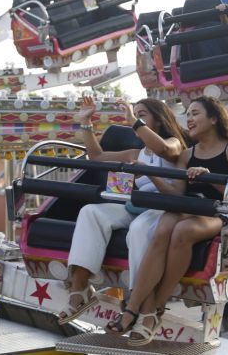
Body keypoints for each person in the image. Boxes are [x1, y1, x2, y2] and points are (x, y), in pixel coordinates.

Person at [110, 96, 228, 347]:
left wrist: (208, 178)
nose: (190, 119)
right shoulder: (187, 154)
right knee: (162, 227)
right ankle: (136, 308)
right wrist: (152, 174)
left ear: (214, 118)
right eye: (188, 114)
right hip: (187, 206)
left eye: (195, 113)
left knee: (182, 231)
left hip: (217, 212)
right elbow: (175, 195)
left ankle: (155, 307)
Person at [57, 96, 189, 325]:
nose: (136, 120)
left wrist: (132, 120)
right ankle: (79, 290)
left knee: (138, 230)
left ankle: (140, 301)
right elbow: (97, 157)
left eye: (142, 114)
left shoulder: (174, 143)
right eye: (135, 115)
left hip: (162, 210)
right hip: (135, 206)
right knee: (91, 212)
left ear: (158, 120)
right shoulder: (137, 154)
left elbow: (164, 148)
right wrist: (86, 123)